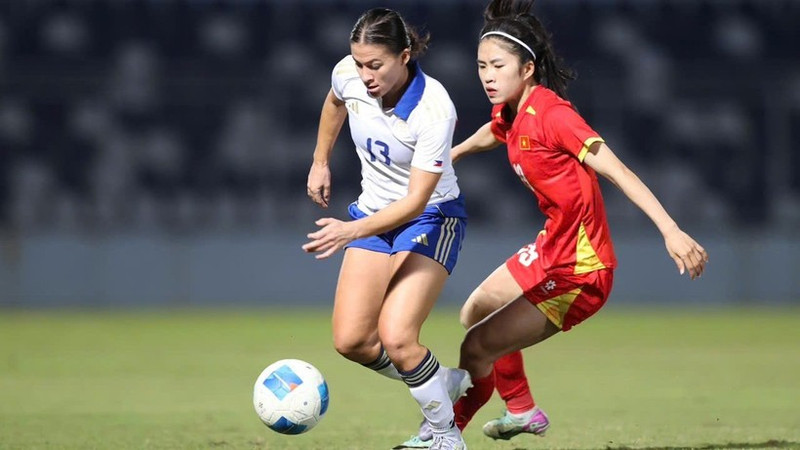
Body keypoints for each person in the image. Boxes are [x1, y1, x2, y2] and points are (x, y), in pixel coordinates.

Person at [398, 0, 709, 447]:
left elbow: (618, 170)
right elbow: (497, 130)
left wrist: (671, 230)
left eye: (498, 65)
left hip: (581, 272)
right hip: (551, 250)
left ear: (527, 68)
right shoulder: (512, 110)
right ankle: (522, 409)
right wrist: (458, 152)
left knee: (476, 348)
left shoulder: (554, 116)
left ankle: (445, 437)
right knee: (474, 312)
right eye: (481, 65)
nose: (487, 75)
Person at [302, 7, 472, 450]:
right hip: (373, 216)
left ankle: (444, 437)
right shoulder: (349, 75)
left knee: (397, 336)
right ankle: (438, 380)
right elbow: (335, 101)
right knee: (353, 340)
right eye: (359, 63)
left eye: (375, 65)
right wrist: (320, 161)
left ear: (405, 55)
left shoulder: (434, 109)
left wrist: (348, 232)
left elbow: (415, 200)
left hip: (430, 218)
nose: (364, 74)